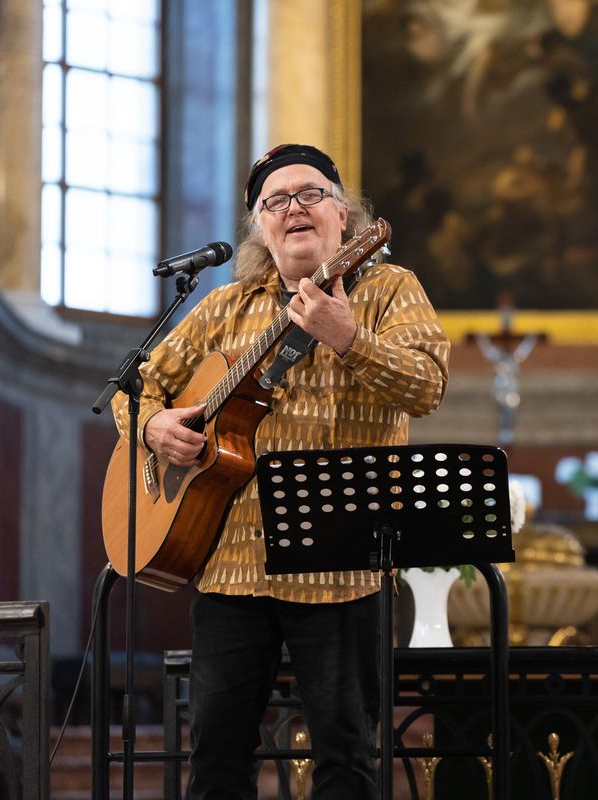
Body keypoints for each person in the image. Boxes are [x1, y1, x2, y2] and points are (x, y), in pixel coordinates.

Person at [111, 143, 450, 798]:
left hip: (343, 571)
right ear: (260, 229)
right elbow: (136, 392)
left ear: (344, 217)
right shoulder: (220, 309)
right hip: (230, 570)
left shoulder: (388, 289)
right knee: (215, 765)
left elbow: (427, 387)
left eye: (311, 194)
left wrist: (347, 335)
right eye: (276, 201)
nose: (294, 208)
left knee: (347, 763)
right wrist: (153, 427)